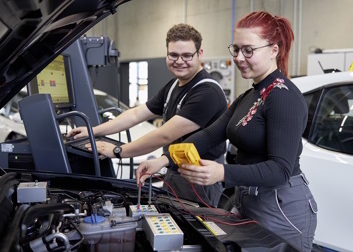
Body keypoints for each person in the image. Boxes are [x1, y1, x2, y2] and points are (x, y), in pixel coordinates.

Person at [136, 12, 317, 252]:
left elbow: (280, 170)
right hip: (248, 200)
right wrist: (164, 159)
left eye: (249, 50)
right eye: (237, 49)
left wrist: (222, 172)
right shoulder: (251, 95)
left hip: (281, 207)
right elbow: (211, 134)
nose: (240, 58)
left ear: (274, 50)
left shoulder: (283, 97)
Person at [67, 24, 228, 207]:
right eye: (173, 55)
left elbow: (165, 134)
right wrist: (93, 131)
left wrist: (118, 151)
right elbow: (136, 114)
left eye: (187, 56)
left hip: (198, 179)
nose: (179, 61)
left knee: (193, 233)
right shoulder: (174, 85)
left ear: (200, 54)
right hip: (174, 171)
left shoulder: (207, 92)